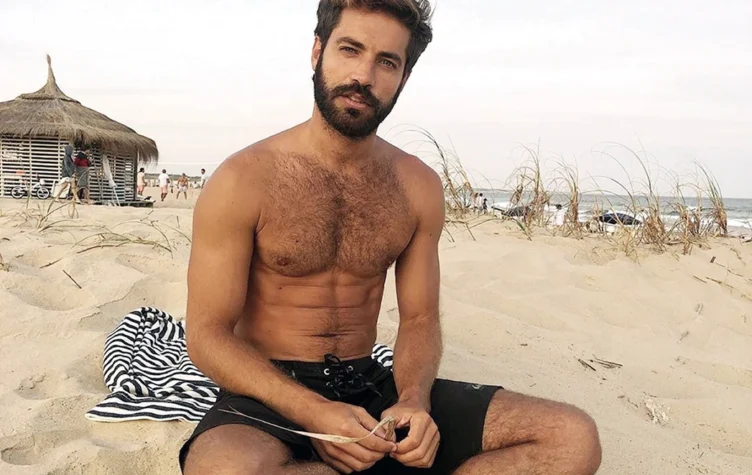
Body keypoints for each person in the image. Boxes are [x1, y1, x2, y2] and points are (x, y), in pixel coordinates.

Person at [181, 1, 602, 474]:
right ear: (318, 52)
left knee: (572, 438)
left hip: (371, 387)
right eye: (350, 49)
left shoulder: (416, 186)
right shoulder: (243, 179)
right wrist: (316, 414)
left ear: (403, 77)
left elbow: (419, 319)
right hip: (269, 392)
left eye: (387, 62)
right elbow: (207, 335)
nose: (363, 76)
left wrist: (414, 401)